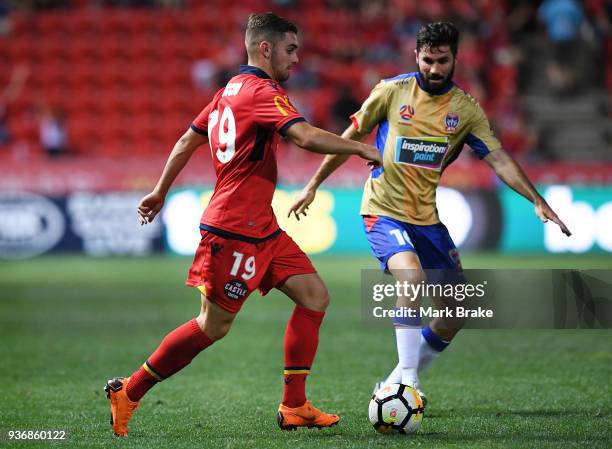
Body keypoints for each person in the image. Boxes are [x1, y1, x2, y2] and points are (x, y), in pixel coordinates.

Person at [104, 12, 381, 437]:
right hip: (233, 231)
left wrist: (160, 190)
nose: (297, 58)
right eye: (290, 49)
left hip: (262, 228)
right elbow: (303, 136)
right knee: (212, 326)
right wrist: (362, 149)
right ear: (264, 48)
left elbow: (185, 141)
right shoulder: (259, 90)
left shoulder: (227, 91)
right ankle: (130, 390)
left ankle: (294, 405)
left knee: (314, 296)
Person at [289, 22, 571, 406]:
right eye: (428, 60)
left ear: (456, 58)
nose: (435, 69)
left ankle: (392, 386)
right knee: (411, 276)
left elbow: (498, 158)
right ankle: (407, 384)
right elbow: (348, 138)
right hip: (383, 210)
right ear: (416, 57)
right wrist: (313, 184)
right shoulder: (391, 92)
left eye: (442, 61)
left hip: (426, 219)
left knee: (455, 312)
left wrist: (535, 199)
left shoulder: (465, 110)